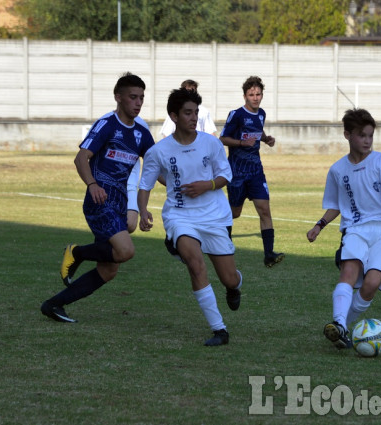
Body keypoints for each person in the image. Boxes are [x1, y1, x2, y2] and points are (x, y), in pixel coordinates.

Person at [41, 72, 155, 323]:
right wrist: (92, 184)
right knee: (125, 250)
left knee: (109, 268)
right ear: (118, 98)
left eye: (141, 98)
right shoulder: (107, 125)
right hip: (100, 201)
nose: (138, 103)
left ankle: (54, 304)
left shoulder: (141, 133)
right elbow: (81, 158)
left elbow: (156, 169)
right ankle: (77, 252)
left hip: (120, 202)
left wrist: (146, 205)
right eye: (133, 97)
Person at [138, 87, 242, 347]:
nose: (193, 117)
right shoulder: (159, 151)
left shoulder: (211, 143)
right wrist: (142, 210)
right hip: (180, 216)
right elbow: (145, 185)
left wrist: (207, 185)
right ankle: (220, 330)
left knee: (228, 277)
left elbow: (226, 176)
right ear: (173, 115)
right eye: (187, 113)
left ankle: (234, 286)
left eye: (196, 112)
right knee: (195, 264)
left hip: (214, 216)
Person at [306, 108, 381, 349]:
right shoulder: (337, 170)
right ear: (347, 135)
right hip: (355, 229)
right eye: (362, 135)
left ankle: (343, 328)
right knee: (348, 274)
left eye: (370, 136)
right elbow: (336, 204)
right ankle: (340, 324)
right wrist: (319, 225)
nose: (367, 141)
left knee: (371, 284)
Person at [219, 76, 284, 268]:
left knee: (264, 209)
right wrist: (240, 143)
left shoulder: (261, 113)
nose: (255, 98)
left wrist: (266, 139)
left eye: (258, 94)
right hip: (237, 172)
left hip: (256, 171)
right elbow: (223, 138)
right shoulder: (237, 114)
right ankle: (222, 245)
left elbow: (258, 130)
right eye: (251, 94)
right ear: (245, 96)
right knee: (235, 213)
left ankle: (269, 255)